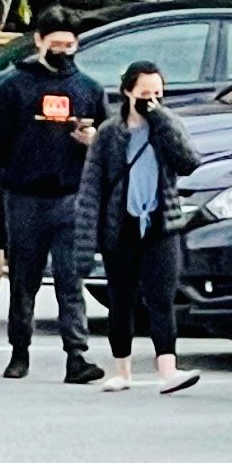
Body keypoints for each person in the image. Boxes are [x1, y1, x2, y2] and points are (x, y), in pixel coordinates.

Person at [0, 10, 108, 383]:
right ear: (39, 41)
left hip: (71, 197)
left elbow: (110, 142)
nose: (63, 51)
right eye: (56, 44)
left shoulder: (90, 90)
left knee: (71, 279)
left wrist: (94, 141)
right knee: (24, 279)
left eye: (69, 45)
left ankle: (77, 357)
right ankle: (19, 352)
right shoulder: (15, 88)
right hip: (23, 196)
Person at [75, 60, 201, 394]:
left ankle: (168, 370)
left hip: (161, 224)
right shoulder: (109, 134)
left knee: (161, 299)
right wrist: (85, 243)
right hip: (122, 225)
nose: (151, 100)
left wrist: (159, 117)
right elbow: (91, 187)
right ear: (128, 92)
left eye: (157, 94)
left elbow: (189, 161)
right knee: (121, 299)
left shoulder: (167, 125)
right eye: (144, 94)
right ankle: (122, 370)